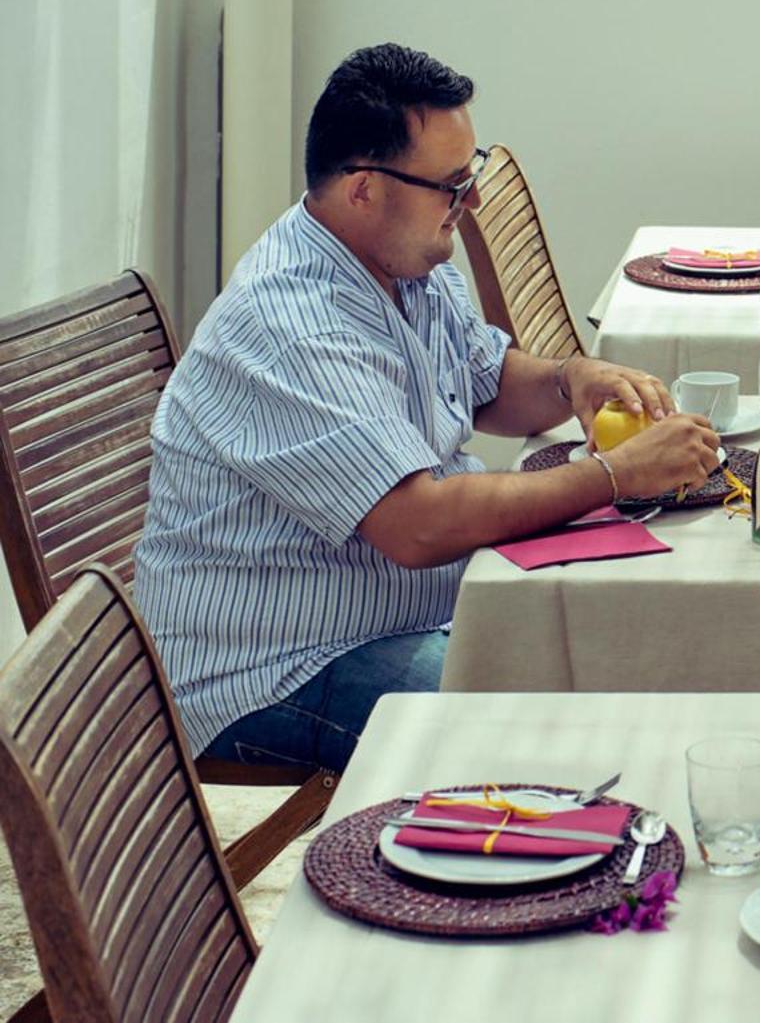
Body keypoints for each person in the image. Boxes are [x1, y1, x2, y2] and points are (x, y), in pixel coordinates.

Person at [134, 42, 718, 770]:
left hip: (409, 614)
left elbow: (488, 380)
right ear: (363, 188)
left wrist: (573, 377)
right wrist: (614, 476)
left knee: (623, 654)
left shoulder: (401, 259)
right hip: (273, 670)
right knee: (552, 741)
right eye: (450, 185)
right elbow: (418, 525)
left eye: (466, 178)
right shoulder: (292, 325)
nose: (466, 203)